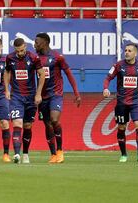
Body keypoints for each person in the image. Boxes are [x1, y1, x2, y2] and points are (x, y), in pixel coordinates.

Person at [103, 43, 138, 162]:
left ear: (135, 53)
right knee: (121, 128)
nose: (126, 52)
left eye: (129, 51)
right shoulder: (118, 65)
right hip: (122, 103)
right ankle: (123, 154)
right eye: (125, 50)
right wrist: (106, 88)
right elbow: (108, 78)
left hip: (136, 102)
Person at [34, 33, 81, 163]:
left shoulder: (57, 57)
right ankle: (53, 154)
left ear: (45, 42)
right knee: (47, 124)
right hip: (41, 97)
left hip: (56, 94)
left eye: (37, 42)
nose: (34, 44)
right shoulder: (34, 58)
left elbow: (69, 75)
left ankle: (60, 151)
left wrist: (76, 93)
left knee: (54, 120)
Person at [4, 38, 45, 164]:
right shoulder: (10, 58)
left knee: (27, 125)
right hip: (16, 96)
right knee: (17, 123)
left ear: (25, 46)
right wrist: (6, 89)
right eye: (17, 51)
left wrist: (38, 94)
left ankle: (25, 154)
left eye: (22, 50)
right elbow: (7, 72)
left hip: (31, 97)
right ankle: (17, 154)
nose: (20, 53)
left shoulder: (33, 58)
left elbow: (42, 74)